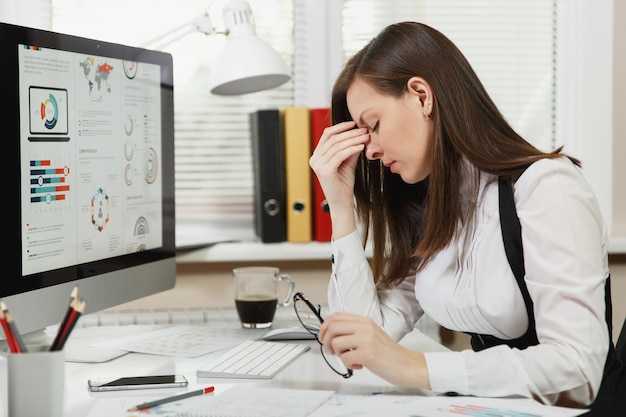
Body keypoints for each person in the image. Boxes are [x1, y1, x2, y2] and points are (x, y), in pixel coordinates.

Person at [310, 21, 623, 413]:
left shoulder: (547, 187)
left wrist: (414, 366)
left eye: (372, 126)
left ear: (422, 96)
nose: (368, 151)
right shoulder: (433, 206)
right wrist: (340, 205)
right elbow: (360, 344)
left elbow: (578, 371)